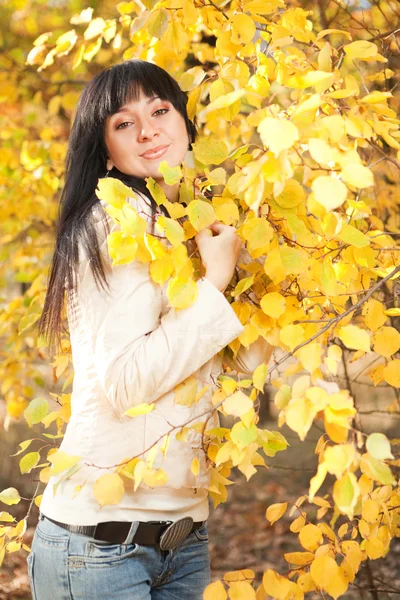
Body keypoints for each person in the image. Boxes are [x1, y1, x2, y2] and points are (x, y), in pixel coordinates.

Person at [29, 59, 274, 600]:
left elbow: (226, 372)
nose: (147, 130)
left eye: (160, 110)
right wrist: (215, 281)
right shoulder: (111, 225)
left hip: (183, 541)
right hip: (100, 547)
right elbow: (126, 384)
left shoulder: (186, 224)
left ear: (185, 122)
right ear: (106, 148)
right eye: (123, 123)